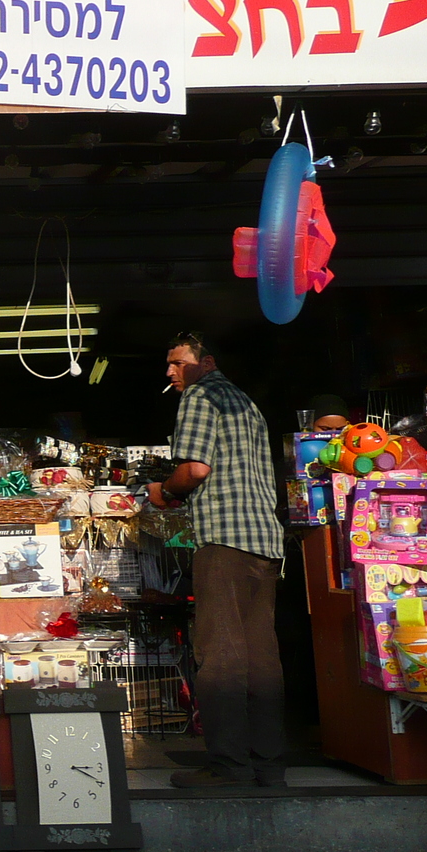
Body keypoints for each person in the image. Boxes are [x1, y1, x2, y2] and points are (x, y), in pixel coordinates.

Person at [148, 333, 286, 788]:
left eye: (178, 362)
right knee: (260, 655)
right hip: (264, 543)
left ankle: (228, 768)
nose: (171, 372)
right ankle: (268, 765)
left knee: (220, 654)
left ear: (205, 362)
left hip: (224, 540)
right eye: (168, 365)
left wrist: (164, 492)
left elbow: (195, 470)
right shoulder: (244, 402)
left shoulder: (200, 395)